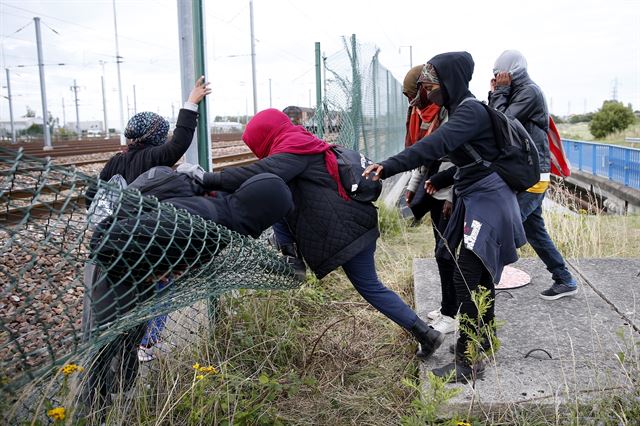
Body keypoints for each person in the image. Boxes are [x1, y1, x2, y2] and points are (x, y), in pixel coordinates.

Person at [177, 108, 445, 359]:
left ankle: (425, 333)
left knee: (370, 287)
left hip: (345, 230)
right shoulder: (299, 140)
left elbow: (261, 172)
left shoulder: (292, 152)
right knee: (371, 285)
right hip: (356, 221)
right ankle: (424, 333)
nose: (256, 150)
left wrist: (207, 180)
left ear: (265, 136)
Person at [363, 52, 527, 382]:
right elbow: (475, 158)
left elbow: (433, 146)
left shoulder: (469, 112)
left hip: (489, 202)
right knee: (477, 275)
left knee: (465, 276)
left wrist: (388, 166)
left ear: (449, 82)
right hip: (478, 196)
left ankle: (466, 363)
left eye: (431, 83)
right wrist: (440, 180)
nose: (427, 89)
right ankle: (487, 338)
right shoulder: (460, 110)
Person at [84, 171, 294, 408]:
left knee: (126, 343)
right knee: (102, 351)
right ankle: (92, 411)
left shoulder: (224, 219)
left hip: (136, 278)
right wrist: (156, 270)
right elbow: (104, 238)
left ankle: (117, 399)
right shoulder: (202, 222)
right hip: (114, 273)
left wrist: (167, 267)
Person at [84, 76, 211, 360]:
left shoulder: (115, 161)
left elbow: (92, 196)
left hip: (113, 240)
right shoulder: (155, 157)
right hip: (146, 240)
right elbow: (180, 141)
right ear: (156, 137)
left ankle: (115, 349)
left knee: (121, 299)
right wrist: (192, 102)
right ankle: (146, 344)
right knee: (161, 289)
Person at [489, 50, 578, 300]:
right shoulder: (514, 91)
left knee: (504, 226)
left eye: (500, 74)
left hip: (535, 176)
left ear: (512, 71)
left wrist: (500, 92)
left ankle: (483, 283)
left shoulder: (529, 92)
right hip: (525, 173)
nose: (497, 78)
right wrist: (496, 92)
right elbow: (491, 120)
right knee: (534, 231)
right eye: (495, 76)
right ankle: (564, 279)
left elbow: (501, 122)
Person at [401, 65, 458, 335]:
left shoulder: (450, 113)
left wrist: (449, 197)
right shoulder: (426, 114)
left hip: (449, 193)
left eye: (416, 92)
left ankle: (451, 313)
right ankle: (449, 307)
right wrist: (413, 186)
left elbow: (457, 161)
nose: (413, 101)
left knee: (447, 254)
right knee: (441, 250)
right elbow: (425, 156)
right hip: (437, 189)